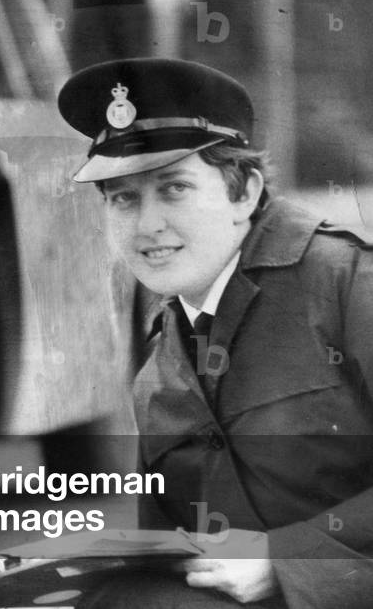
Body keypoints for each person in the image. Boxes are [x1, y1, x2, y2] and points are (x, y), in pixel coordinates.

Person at [57, 58, 373, 608]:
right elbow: (175, 534)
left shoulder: (344, 282)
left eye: (174, 188)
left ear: (244, 193)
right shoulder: (165, 346)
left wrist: (287, 560)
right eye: (123, 198)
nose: (147, 225)